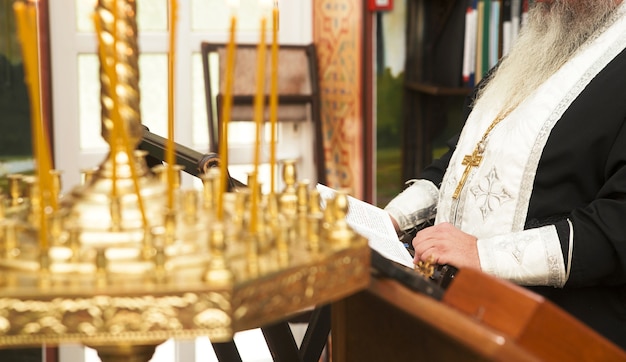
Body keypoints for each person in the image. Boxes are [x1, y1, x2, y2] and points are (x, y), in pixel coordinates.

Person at [384, 0, 626, 350]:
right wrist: (393, 217)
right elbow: (465, 156)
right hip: (455, 307)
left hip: (556, 332)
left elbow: (617, 226)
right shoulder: (542, 42)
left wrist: (484, 255)